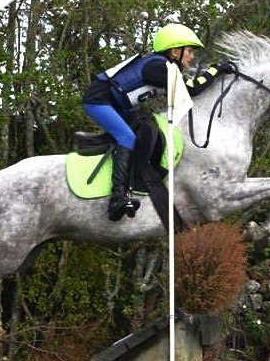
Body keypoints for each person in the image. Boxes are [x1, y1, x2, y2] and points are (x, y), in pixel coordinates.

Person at [83, 23, 235, 221]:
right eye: (189, 51)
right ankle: (117, 198)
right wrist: (216, 70)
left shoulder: (165, 67)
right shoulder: (157, 67)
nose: (192, 56)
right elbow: (191, 89)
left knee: (144, 128)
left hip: (116, 104)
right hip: (98, 100)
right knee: (127, 137)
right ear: (174, 52)